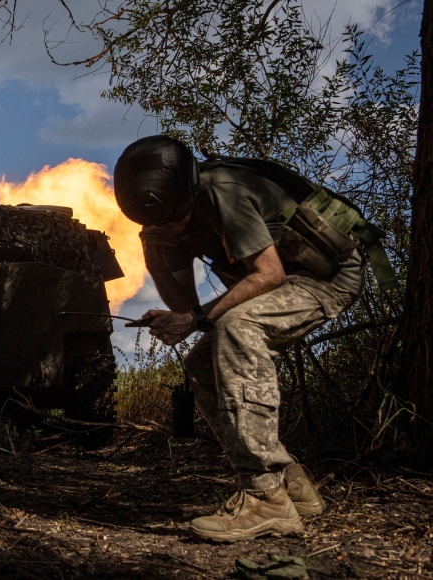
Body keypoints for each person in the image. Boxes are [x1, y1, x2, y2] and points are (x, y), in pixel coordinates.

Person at [114, 135, 363, 542]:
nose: (166, 227)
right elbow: (183, 305)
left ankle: (265, 497)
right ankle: (291, 484)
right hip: (284, 281)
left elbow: (270, 276)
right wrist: (156, 255)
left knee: (237, 327)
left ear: (188, 194)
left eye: (172, 220)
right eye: (156, 223)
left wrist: (194, 319)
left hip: (326, 277)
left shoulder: (222, 192)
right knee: (199, 360)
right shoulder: (160, 222)